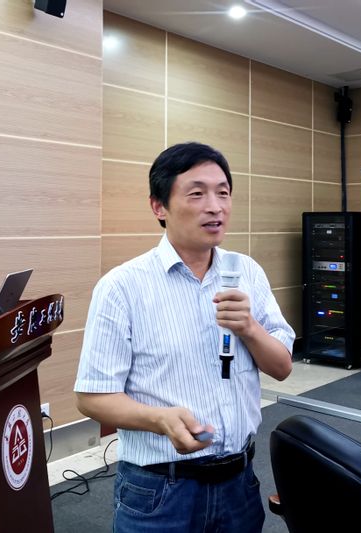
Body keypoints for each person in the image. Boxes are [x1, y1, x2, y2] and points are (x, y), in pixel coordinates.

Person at [74, 141, 295, 532]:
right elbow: (92, 397)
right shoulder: (122, 287)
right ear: (159, 207)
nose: (215, 206)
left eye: (223, 193)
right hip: (160, 491)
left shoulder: (247, 273)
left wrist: (249, 328)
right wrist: (159, 419)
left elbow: (281, 367)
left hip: (240, 482)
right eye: (197, 194)